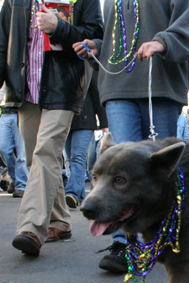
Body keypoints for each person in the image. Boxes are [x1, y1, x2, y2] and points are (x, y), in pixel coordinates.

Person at [73, 0, 189, 273]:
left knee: (161, 171)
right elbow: (115, 36)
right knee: (120, 169)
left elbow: (187, 27)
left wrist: (163, 42)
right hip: (117, 86)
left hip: (161, 84)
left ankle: (163, 240)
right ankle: (124, 244)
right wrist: (99, 46)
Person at [0, 0, 103, 256]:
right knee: (40, 158)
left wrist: (59, 28)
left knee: (45, 151)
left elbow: (96, 36)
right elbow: (2, 42)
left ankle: (32, 228)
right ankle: (60, 222)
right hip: (24, 87)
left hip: (64, 84)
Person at [64, 72, 108, 209]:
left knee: (78, 156)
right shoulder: (60, 67)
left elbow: (97, 96)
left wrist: (104, 123)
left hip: (85, 120)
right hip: (65, 120)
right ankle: (81, 196)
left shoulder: (88, 69)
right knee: (70, 161)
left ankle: (72, 193)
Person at [0, 103, 29, 198]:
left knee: (21, 154)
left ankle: (21, 185)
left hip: (22, 112)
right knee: (4, 149)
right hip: (5, 112)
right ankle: (14, 179)